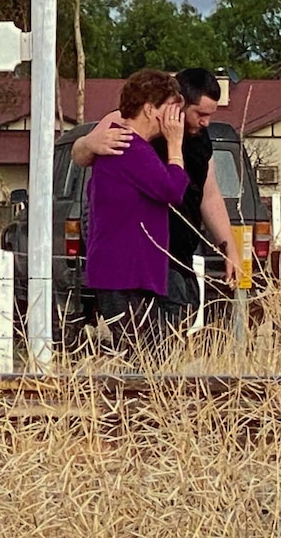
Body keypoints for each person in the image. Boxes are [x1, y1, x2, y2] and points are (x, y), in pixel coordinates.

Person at [73, 68, 238, 332]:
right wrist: (89, 142)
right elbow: (171, 190)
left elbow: (210, 195)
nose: (206, 122)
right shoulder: (129, 136)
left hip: (171, 258)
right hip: (137, 265)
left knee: (162, 341)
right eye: (200, 114)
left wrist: (229, 247)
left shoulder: (198, 142)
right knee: (151, 348)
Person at [85, 69, 189, 351]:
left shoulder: (123, 144)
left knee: (148, 347)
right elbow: (172, 190)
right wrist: (175, 146)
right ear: (149, 109)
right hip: (126, 274)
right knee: (144, 356)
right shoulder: (131, 147)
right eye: (169, 109)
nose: (174, 119)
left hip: (126, 271)